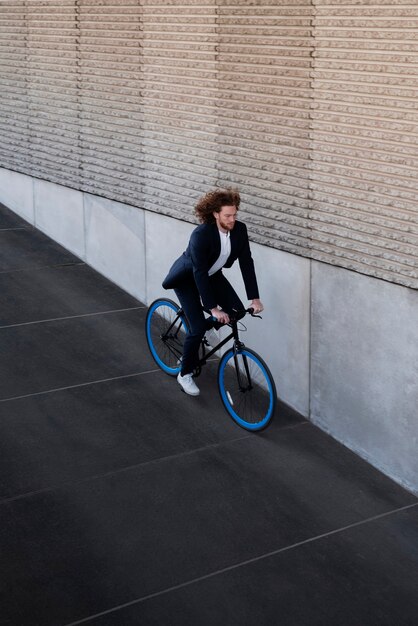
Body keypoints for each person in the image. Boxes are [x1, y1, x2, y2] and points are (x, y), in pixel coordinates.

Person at [162, 188, 264, 396]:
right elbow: (198, 272)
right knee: (197, 327)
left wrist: (254, 298)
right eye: (228, 215)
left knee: (236, 311)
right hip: (188, 279)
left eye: (235, 214)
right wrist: (213, 309)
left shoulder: (239, 230)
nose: (232, 219)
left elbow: (247, 264)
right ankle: (185, 373)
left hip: (212, 274)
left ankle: (203, 335)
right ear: (215, 214)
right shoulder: (201, 234)